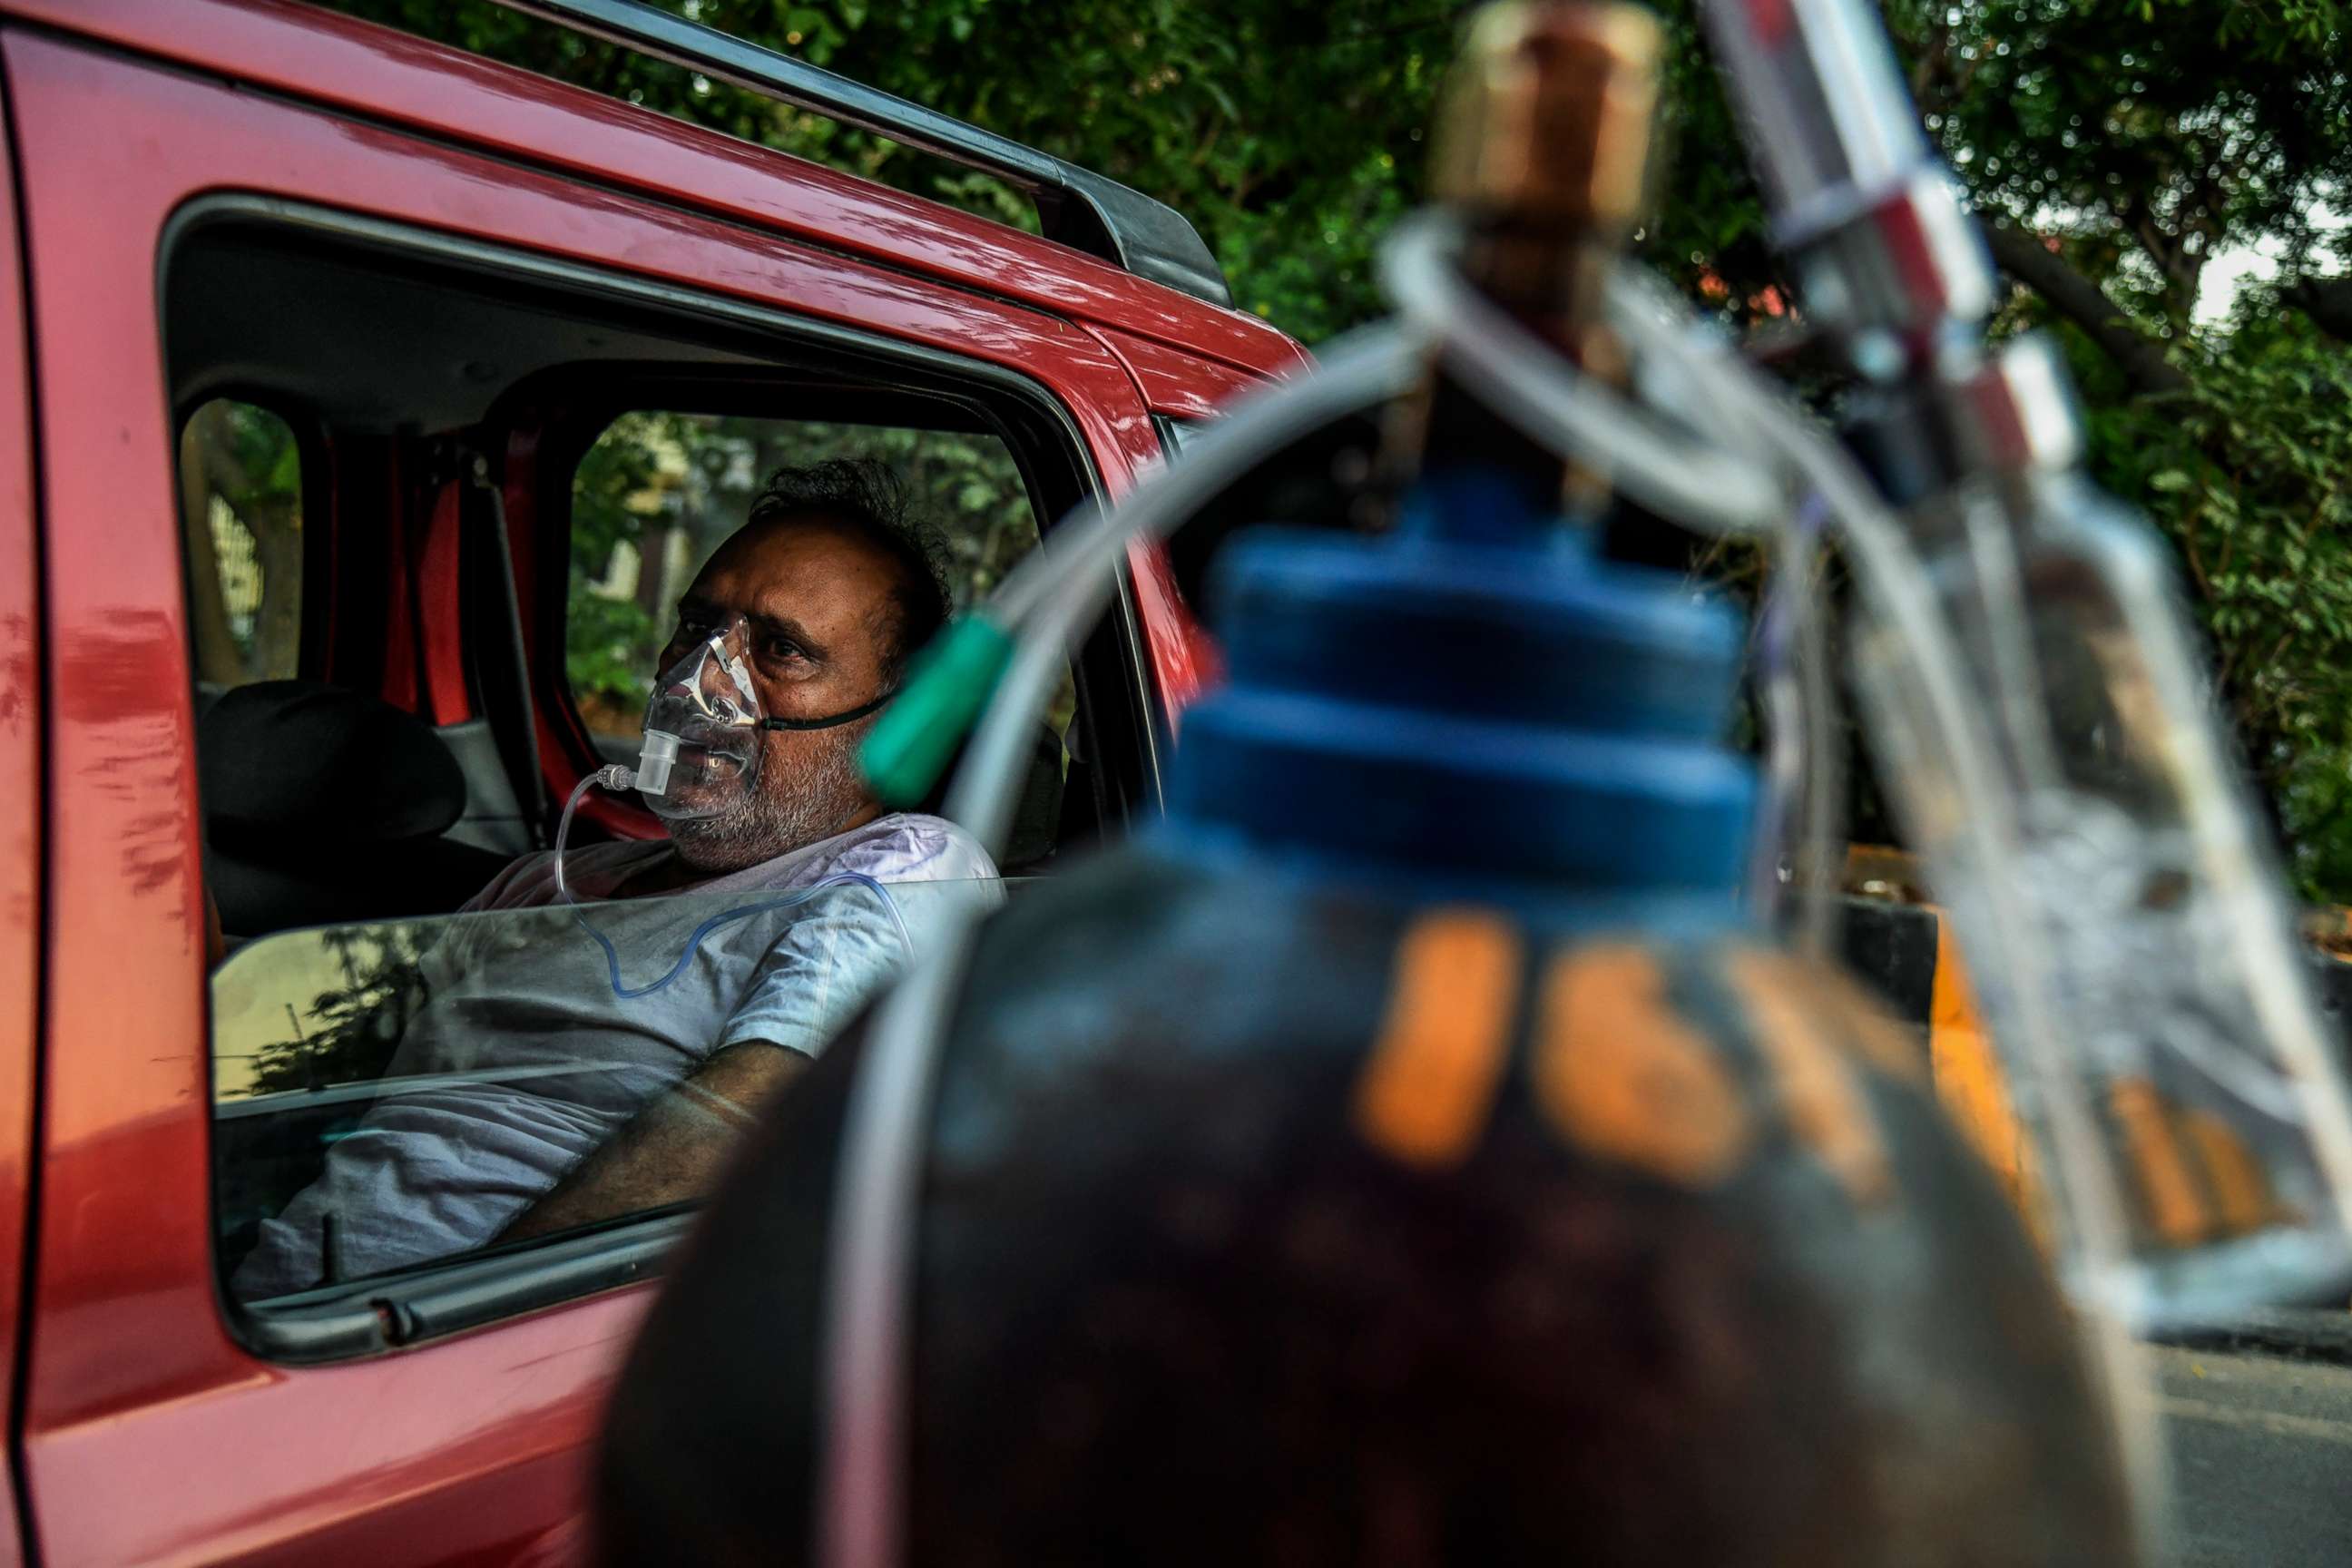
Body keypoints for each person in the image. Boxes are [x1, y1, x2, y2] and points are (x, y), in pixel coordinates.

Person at [234, 460, 998, 1298]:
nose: (703, 678)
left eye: (780, 650)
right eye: (697, 626)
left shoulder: (906, 872)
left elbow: (745, 1129)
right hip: (279, 1305)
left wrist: (462, 1329)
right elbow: (329, 1086)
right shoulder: (548, 880)